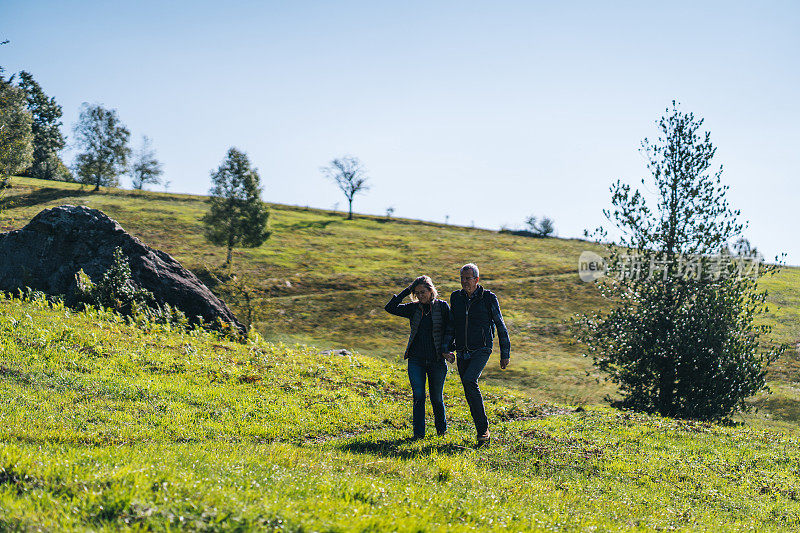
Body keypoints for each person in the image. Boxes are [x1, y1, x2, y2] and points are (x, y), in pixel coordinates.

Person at [385, 275, 455, 439]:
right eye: (417, 293)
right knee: (418, 397)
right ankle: (418, 434)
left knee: (437, 398)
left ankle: (441, 432)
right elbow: (390, 308)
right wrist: (406, 291)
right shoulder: (413, 308)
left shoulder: (442, 307)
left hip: (437, 360)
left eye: (423, 292)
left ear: (431, 291)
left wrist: (448, 349)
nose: (420, 296)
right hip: (416, 360)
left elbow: (451, 330)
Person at [449, 263, 511, 445]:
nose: (464, 282)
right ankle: (482, 431)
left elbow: (500, 325)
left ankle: (483, 429)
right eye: (462, 278)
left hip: (482, 349)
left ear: (476, 280)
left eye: (468, 278)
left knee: (469, 380)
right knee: (469, 390)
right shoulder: (456, 297)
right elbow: (452, 325)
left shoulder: (488, 298)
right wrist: (448, 347)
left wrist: (504, 353)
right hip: (462, 350)